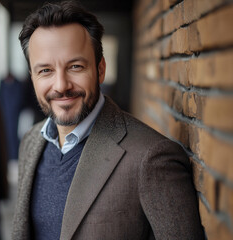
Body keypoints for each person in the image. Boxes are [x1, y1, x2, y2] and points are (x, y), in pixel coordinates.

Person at [12, 1, 205, 239]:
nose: (61, 85)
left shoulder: (152, 158)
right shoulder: (30, 142)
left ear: (100, 69)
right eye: (45, 71)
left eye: (75, 66)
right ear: (32, 77)